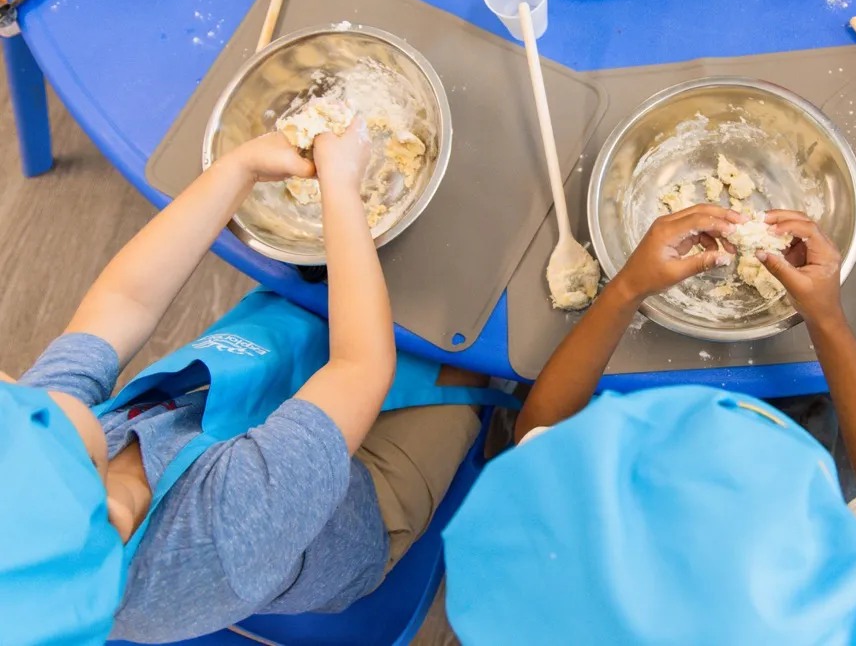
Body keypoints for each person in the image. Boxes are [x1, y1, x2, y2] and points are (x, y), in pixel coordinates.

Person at [0, 125, 509, 645]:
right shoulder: (224, 527)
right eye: (23, 403)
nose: (24, 388)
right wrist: (341, 187)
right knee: (463, 347)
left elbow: (124, 300)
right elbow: (359, 368)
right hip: (367, 492)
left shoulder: (37, 464)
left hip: (260, 419)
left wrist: (236, 169)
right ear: (106, 508)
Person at [443, 205, 856, 645]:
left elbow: (539, 431)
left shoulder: (525, 579)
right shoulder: (842, 620)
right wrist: (828, 318)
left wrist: (626, 289)